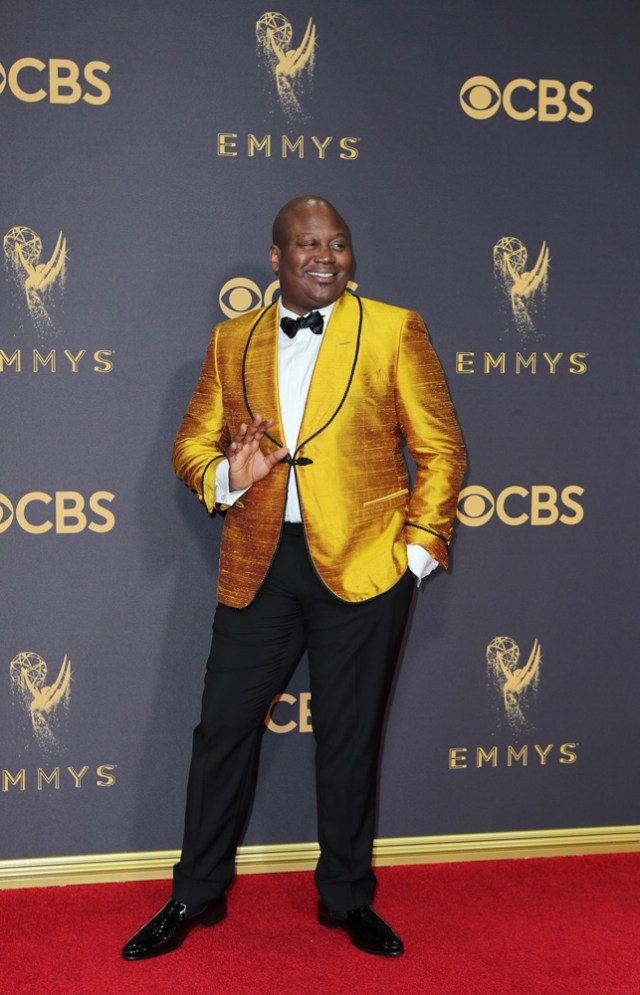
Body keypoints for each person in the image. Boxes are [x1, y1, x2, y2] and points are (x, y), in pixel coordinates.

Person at [122, 195, 466, 961]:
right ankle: (195, 894)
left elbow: (441, 450)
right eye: (307, 244)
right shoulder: (230, 340)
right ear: (275, 258)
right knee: (221, 733)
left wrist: (411, 554)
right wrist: (228, 477)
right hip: (259, 567)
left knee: (349, 740)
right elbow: (188, 446)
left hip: (366, 564)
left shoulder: (393, 328)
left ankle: (346, 896)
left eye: (338, 243)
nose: (325, 256)